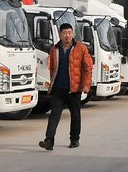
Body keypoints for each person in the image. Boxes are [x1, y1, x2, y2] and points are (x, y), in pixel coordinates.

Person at [39, 23, 93, 151]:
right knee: (54, 115)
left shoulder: (81, 48)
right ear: (60, 35)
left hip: (74, 89)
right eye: (64, 33)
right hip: (58, 88)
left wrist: (87, 84)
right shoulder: (54, 49)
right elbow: (53, 68)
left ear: (72, 34)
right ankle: (49, 140)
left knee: (75, 115)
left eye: (69, 33)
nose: (67, 35)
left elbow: (88, 67)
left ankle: (74, 139)